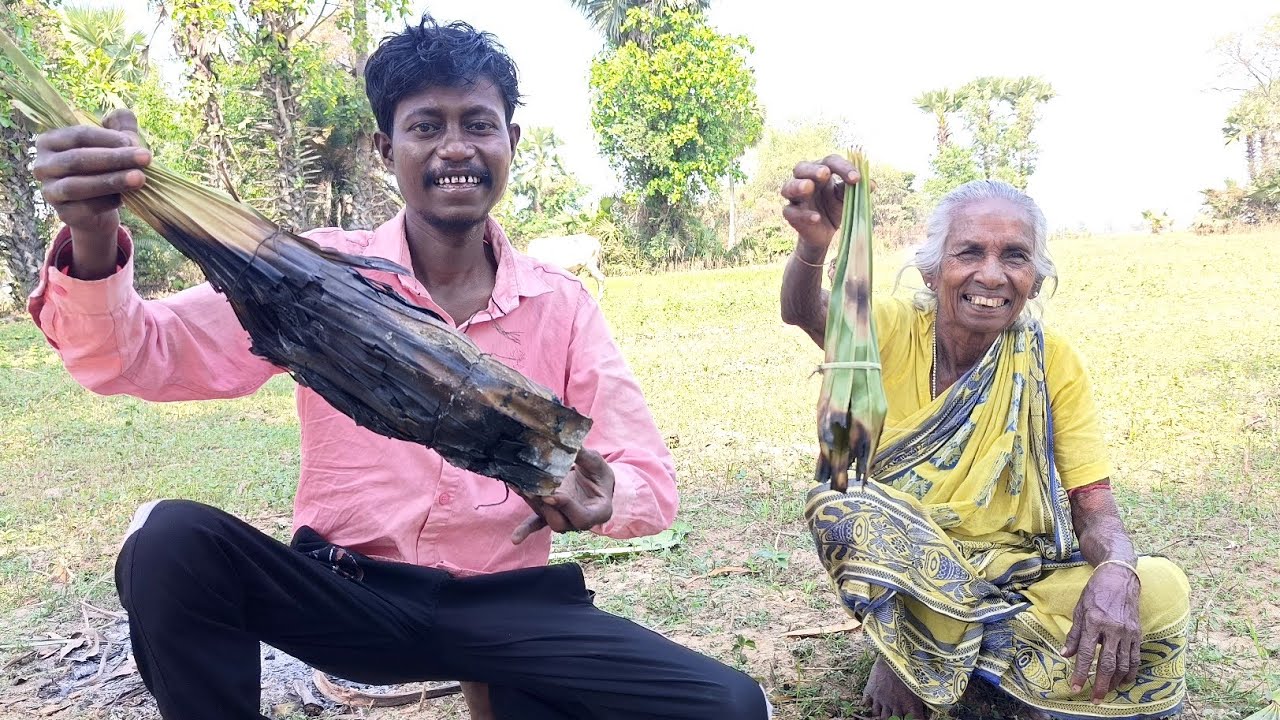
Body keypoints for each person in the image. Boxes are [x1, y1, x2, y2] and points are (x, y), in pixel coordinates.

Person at [27, 14, 771, 720]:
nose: (455, 148)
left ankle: (513, 690)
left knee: (730, 706)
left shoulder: (561, 304)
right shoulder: (311, 279)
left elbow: (651, 485)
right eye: (426, 127)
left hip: (510, 608)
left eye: (478, 124)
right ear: (388, 150)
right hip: (347, 592)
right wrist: (94, 236)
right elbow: (133, 357)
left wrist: (605, 496)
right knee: (170, 541)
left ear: (510, 141)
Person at [778, 156, 1190, 720]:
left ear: (1036, 278)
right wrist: (815, 248)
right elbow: (809, 312)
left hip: (1014, 580)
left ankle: (945, 671)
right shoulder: (895, 326)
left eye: (1014, 256)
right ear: (931, 270)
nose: (992, 275)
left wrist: (1118, 571)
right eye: (969, 252)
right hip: (907, 573)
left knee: (1161, 588)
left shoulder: (1052, 362)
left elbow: (1095, 508)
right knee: (841, 505)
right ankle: (922, 655)